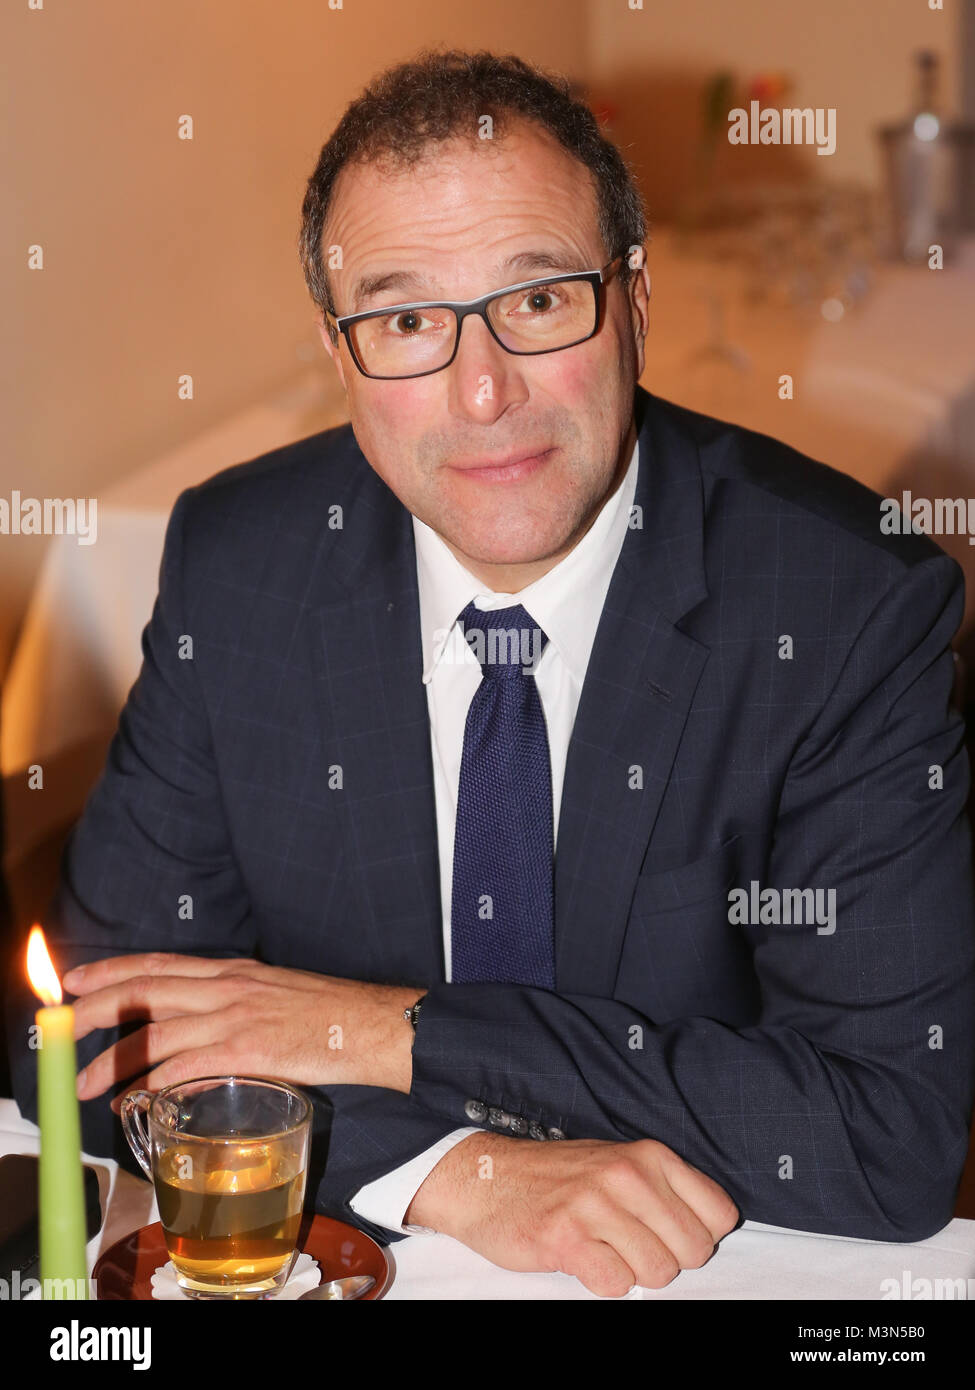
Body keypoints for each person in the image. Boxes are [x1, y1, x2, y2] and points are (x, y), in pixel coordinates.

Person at [7, 48, 975, 1299]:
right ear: (338, 350)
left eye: (537, 301)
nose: (481, 392)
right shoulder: (237, 567)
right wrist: (455, 1165)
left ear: (633, 298)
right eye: (406, 320)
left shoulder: (843, 603)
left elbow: (884, 1134)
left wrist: (381, 1031)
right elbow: (92, 1045)